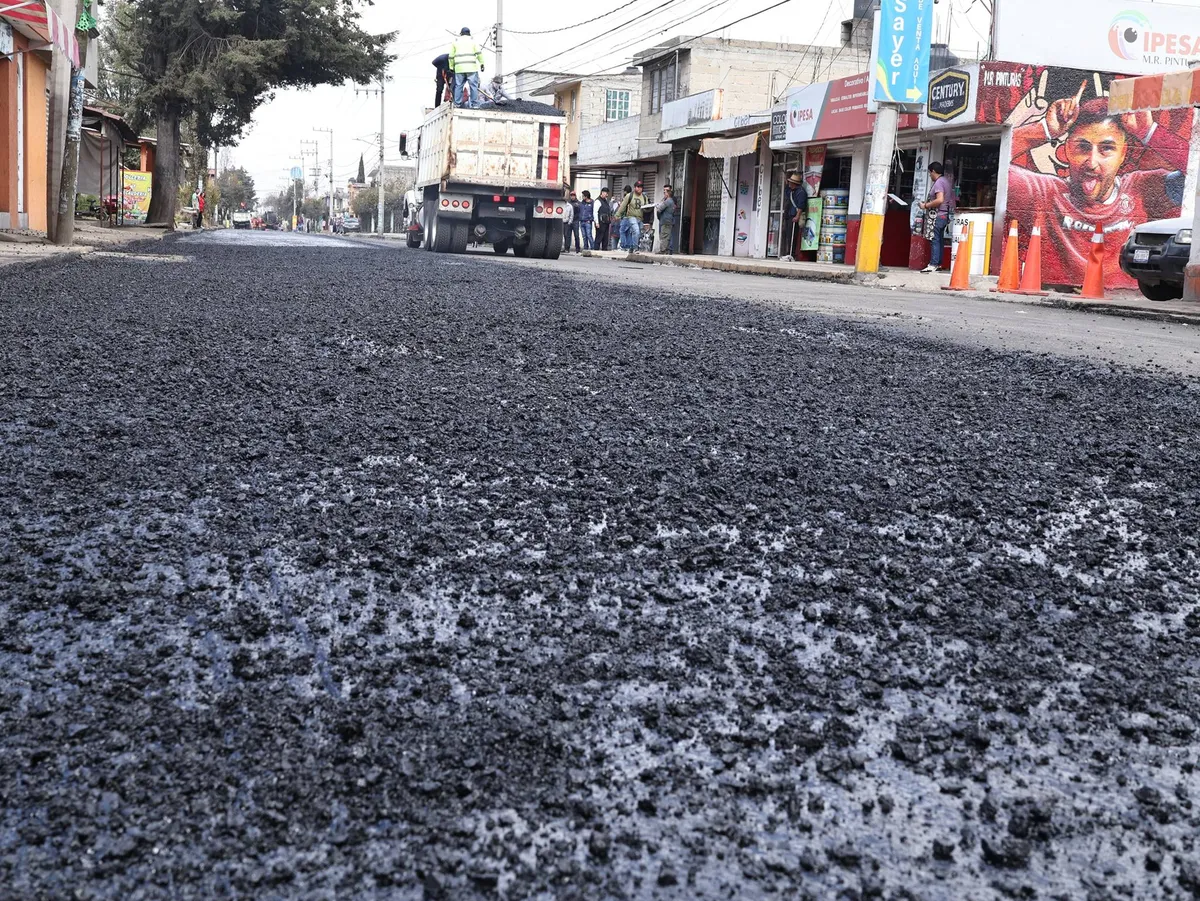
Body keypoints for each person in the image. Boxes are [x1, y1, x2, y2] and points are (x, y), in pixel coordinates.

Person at [1006, 96, 1187, 287]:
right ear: (1067, 149)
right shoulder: (1043, 193)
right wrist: (1043, 130)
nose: (1092, 163)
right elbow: (994, 162)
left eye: (1106, 149)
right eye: (1082, 147)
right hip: (1057, 306)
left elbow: (1196, 174)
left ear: (1123, 153)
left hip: (1125, 306)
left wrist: (1150, 132)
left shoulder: (1143, 188)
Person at [919, 162, 955, 272]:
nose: (930, 175)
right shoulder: (945, 181)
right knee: (939, 240)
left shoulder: (939, 183)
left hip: (937, 215)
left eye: (930, 173)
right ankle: (938, 263)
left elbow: (940, 200)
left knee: (934, 239)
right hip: (944, 215)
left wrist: (926, 205)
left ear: (933, 171)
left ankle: (933, 264)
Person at [450, 27, 484, 109]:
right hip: (471, 68)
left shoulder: (455, 42)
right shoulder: (473, 41)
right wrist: (482, 63)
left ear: (461, 33)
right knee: (473, 86)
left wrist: (451, 66)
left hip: (459, 68)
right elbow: (479, 53)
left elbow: (451, 56)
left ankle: (457, 104)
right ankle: (474, 105)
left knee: (459, 86)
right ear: (469, 33)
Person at [615, 181, 647, 252]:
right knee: (636, 231)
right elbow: (623, 206)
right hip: (631, 216)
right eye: (638, 187)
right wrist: (617, 215)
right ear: (635, 187)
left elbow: (647, 207)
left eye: (641, 187)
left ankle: (631, 247)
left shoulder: (644, 197)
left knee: (636, 233)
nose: (639, 189)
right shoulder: (629, 196)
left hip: (640, 217)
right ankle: (635, 248)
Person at [782, 171, 806, 261]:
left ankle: (791, 254)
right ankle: (788, 253)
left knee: (793, 236)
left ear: (795, 183)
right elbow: (786, 192)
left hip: (795, 216)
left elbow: (801, 206)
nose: (789, 184)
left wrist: (797, 216)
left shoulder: (801, 192)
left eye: (790, 182)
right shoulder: (792, 191)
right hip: (790, 215)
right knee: (788, 235)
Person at [654, 184, 676, 255]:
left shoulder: (668, 201)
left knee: (664, 236)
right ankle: (665, 250)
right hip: (668, 220)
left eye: (665, 192)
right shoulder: (670, 201)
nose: (664, 194)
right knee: (666, 235)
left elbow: (660, 209)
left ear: (668, 193)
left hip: (665, 220)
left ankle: (663, 250)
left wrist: (657, 206)